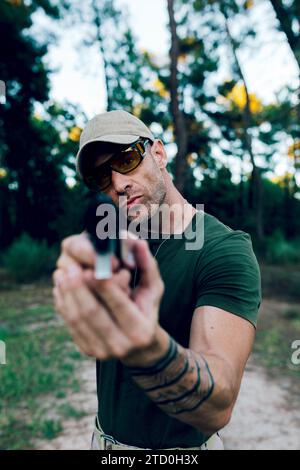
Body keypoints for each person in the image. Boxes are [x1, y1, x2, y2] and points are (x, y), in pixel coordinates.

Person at [53, 110, 261, 450]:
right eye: (102, 178)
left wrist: (147, 348)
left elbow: (218, 405)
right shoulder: (113, 246)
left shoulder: (222, 250)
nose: (118, 183)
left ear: (159, 154)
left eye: (127, 159)